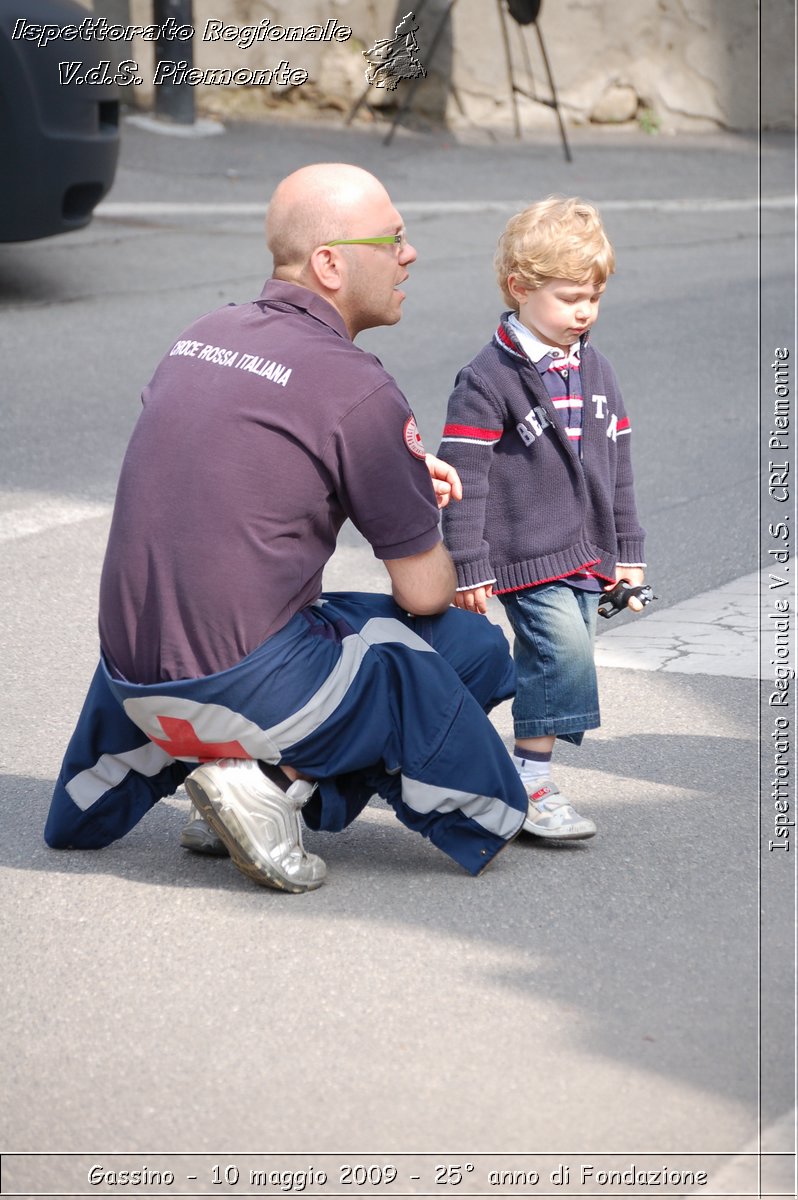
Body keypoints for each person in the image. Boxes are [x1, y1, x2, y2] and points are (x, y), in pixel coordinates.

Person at [45, 163, 529, 893]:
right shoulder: (355, 384)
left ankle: (228, 779)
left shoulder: (200, 335)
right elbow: (427, 593)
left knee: (307, 622)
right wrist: (415, 497)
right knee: (471, 647)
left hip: (130, 681)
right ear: (330, 263)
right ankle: (271, 788)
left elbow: (225, 472)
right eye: (393, 238)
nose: (410, 254)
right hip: (244, 685)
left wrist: (382, 472)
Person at [437, 196, 647, 841]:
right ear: (518, 289)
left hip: (584, 550)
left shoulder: (597, 369)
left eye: (594, 297)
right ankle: (530, 786)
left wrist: (628, 553)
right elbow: (461, 478)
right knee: (562, 655)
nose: (583, 311)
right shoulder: (487, 378)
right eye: (567, 297)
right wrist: (468, 562)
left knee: (550, 663)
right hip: (524, 551)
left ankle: (494, 769)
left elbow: (618, 465)